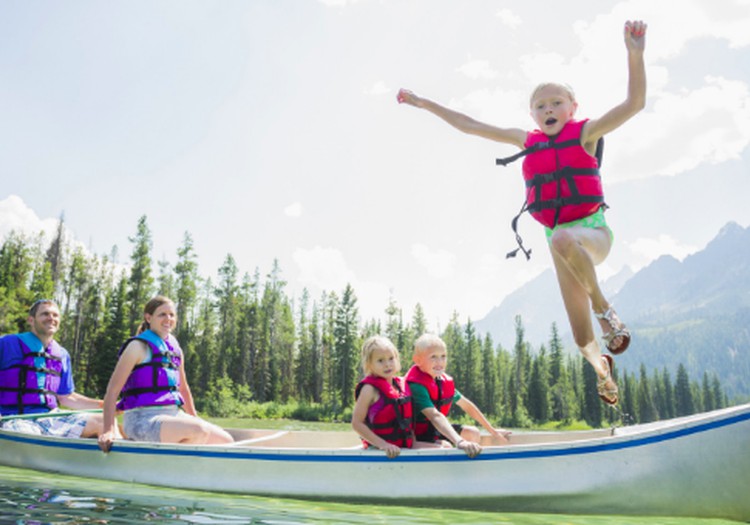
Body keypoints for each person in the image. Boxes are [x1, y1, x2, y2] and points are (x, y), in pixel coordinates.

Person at [397, 20, 648, 406]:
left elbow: (634, 105)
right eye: (540, 106)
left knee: (565, 237)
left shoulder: (586, 133)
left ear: (573, 108)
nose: (549, 109)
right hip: (558, 239)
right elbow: (470, 126)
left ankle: (605, 309)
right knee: (582, 339)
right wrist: (423, 103)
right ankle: (603, 371)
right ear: (532, 115)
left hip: (591, 231)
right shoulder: (524, 139)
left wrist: (635, 53)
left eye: (556, 103)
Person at [98, 296, 233, 451]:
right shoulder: (137, 347)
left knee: (226, 440)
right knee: (199, 431)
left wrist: (195, 419)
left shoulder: (175, 350)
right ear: (148, 318)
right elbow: (112, 391)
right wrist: (108, 430)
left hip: (173, 414)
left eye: (172, 315)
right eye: (162, 314)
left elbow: (183, 389)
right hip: (142, 419)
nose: (168, 319)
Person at [0, 299, 111, 438]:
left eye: (55, 315)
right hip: (15, 417)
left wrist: (106, 406)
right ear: (31, 320)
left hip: (51, 417)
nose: (51, 318)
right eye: (45, 314)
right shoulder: (7, 344)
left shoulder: (62, 354)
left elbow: (66, 397)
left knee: (105, 422)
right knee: (28, 435)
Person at [406, 333, 511, 458]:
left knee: (473, 433)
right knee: (446, 447)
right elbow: (435, 416)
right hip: (417, 435)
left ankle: (468, 466)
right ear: (418, 360)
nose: (439, 362)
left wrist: (492, 431)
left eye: (443, 356)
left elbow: (468, 406)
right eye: (433, 357)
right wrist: (459, 441)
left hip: (434, 431)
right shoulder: (416, 386)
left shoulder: (440, 381)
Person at [352, 335, 417, 459]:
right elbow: (357, 423)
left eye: (391, 358)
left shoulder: (400, 385)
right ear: (369, 364)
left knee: (443, 446)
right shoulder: (370, 389)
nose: (387, 364)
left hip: (404, 447)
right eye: (380, 360)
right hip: (378, 450)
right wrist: (383, 445)